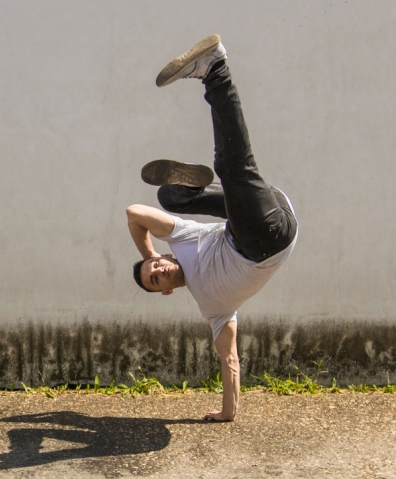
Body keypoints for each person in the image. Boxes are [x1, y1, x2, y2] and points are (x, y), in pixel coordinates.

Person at [126, 35, 298, 422]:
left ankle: (192, 187)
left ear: (164, 257)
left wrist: (149, 254)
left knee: (170, 198)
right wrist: (227, 412)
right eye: (155, 280)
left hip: (263, 207)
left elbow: (134, 212)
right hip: (265, 240)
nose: (158, 271)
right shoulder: (213, 308)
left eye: (155, 268)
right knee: (232, 168)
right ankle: (215, 69)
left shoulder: (183, 240)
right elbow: (229, 358)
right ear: (166, 291)